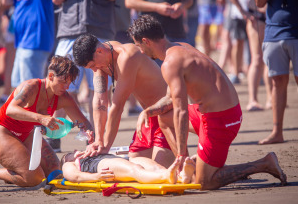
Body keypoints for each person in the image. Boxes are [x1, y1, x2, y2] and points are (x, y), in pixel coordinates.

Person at [128, 14, 287, 190]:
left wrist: (179, 153)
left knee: (204, 182)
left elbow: (181, 111)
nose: (140, 51)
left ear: (145, 41)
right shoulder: (179, 47)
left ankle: (264, 163)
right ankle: (187, 166)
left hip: (222, 119)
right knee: (163, 118)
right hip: (216, 112)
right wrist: (147, 111)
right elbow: (170, 100)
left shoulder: (170, 63)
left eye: (139, 46)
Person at [0, 56, 93, 187]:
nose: (67, 87)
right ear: (51, 76)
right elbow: (10, 110)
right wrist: (41, 118)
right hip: (3, 131)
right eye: (63, 82)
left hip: (29, 135)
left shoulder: (63, 97)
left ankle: (15, 173)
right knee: (36, 179)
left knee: (56, 172)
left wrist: (90, 136)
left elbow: (84, 123)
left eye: (69, 83)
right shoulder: (31, 86)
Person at [72, 34, 176, 168]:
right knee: (136, 164)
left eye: (93, 65)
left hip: (167, 113)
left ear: (99, 51)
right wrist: (99, 140)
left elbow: (117, 106)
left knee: (159, 169)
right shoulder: (103, 58)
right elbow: (100, 102)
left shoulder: (127, 56)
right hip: (148, 117)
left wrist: (105, 147)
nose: (94, 69)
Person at [49, 0, 123, 151]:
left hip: (100, 31)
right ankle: (54, 136)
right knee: (58, 86)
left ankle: (96, 137)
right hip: (69, 30)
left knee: (98, 90)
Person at [255, 0, 298, 144]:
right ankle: (277, 132)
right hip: (273, 34)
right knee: (277, 83)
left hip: (296, 33)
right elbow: (259, 2)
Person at [226, 0, 272, 111]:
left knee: (270, 60)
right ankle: (253, 100)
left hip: (274, 19)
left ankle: (271, 98)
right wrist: (243, 12)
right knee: (257, 59)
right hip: (257, 18)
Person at [124, 0, 193, 65]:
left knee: (182, 70)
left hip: (177, 33)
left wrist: (182, 6)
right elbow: (129, 1)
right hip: (151, 40)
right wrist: (156, 7)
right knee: (155, 76)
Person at [2, 0, 55, 89]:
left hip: (36, 39)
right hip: (21, 41)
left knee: (31, 88)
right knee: (18, 85)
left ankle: (37, 107)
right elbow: (5, 1)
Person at [61, 150, 196, 184]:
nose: (75, 152)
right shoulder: (69, 164)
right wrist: (96, 176)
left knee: (151, 164)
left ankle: (180, 177)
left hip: (116, 159)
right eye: (70, 154)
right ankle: (166, 176)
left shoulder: (88, 152)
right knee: (135, 169)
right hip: (99, 166)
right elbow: (75, 176)